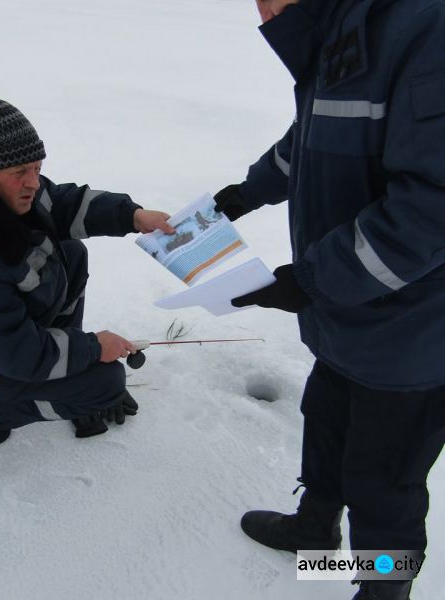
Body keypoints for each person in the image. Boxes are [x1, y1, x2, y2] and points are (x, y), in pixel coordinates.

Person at [214, 1, 445, 598]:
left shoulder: (427, 25)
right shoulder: (341, 28)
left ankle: (382, 589)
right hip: (346, 318)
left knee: (383, 487)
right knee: (327, 430)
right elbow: (314, 134)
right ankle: (316, 538)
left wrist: (311, 279)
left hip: (411, 339)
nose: (263, 8)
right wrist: (248, 191)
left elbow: (430, 211)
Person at [0, 98, 174, 447]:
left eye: (37, 168)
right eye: (21, 174)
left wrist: (132, 216)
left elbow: (56, 202)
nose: (33, 183)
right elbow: (20, 355)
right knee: (105, 384)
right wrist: (91, 349)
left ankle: (62, 372)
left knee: (70, 254)